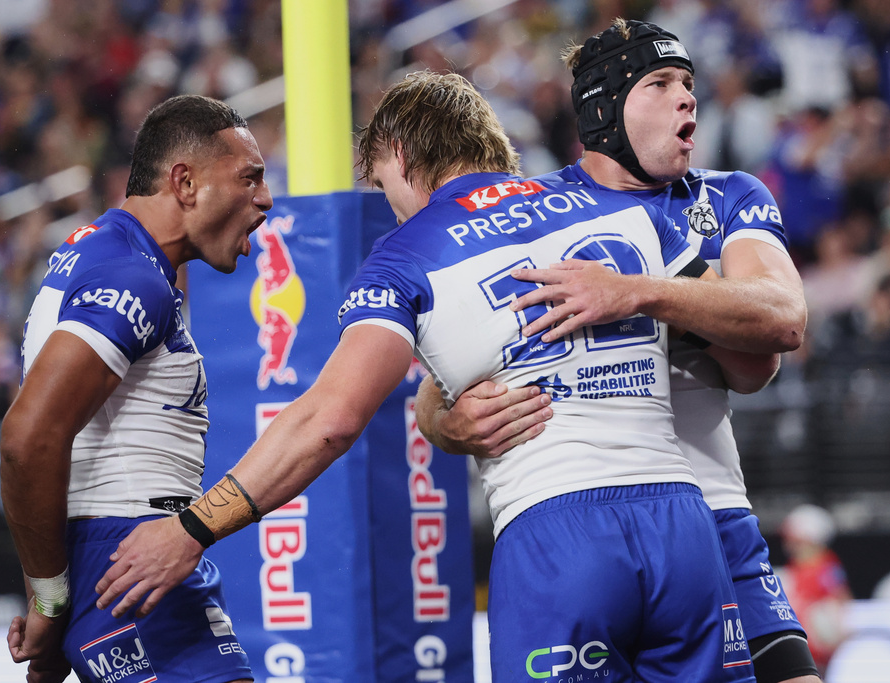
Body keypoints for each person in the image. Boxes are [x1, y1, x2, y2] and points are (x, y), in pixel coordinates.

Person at [94, 71, 758, 683]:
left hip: (560, 539)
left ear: (402, 159)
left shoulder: (404, 257)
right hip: (685, 529)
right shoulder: (611, 206)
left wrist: (192, 529)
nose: (392, 207)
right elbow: (761, 342)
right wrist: (439, 415)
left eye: (384, 187)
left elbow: (328, 420)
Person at [414, 19, 820, 683]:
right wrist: (441, 420)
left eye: (688, 83)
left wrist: (634, 293)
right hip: (586, 530)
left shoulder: (728, 196)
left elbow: (780, 322)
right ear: (604, 108)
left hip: (713, 515)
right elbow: (448, 369)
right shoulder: (534, 210)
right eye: (659, 84)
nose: (687, 98)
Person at [0, 94, 271, 683]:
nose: (265, 200)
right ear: (185, 181)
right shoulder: (132, 276)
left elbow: (54, 449)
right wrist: (49, 600)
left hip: (113, 568)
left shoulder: (94, 251)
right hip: (136, 570)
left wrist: (53, 597)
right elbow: (28, 438)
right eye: (249, 178)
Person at [779, 504, 852, 675]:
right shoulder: (793, 569)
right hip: (797, 652)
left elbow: (840, 602)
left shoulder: (825, 568)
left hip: (817, 656)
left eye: (795, 539)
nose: (789, 544)